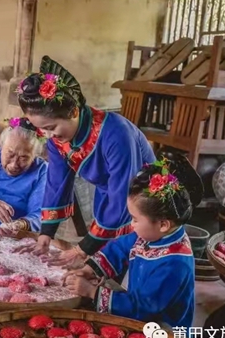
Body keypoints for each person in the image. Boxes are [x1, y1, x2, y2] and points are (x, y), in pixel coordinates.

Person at [15, 56, 155, 267]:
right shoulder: (58, 140)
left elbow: (125, 192)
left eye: (51, 127)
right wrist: (46, 234)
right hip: (109, 195)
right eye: (41, 128)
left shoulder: (116, 134)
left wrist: (83, 248)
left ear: (73, 111)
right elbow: (57, 185)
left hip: (143, 201)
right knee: (106, 260)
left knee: (136, 262)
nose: (47, 135)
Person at [64, 156, 201, 328]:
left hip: (162, 328)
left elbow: (144, 307)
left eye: (135, 219)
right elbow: (120, 247)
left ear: (163, 224)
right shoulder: (153, 234)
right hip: (141, 309)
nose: (131, 224)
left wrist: (92, 292)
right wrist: (90, 269)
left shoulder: (175, 263)